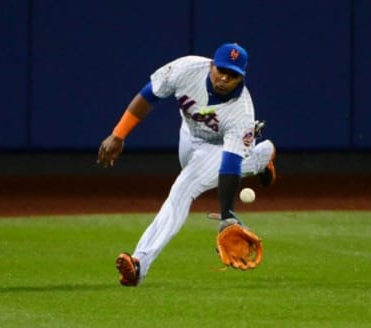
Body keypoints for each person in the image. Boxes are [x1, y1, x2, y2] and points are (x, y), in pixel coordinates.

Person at [97, 42, 276, 287]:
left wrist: (227, 216)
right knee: (190, 172)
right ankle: (261, 155)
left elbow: (229, 166)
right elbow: (149, 95)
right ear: (211, 65)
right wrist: (118, 135)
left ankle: (139, 263)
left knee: (183, 189)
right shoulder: (187, 69)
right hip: (190, 136)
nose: (224, 77)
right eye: (221, 69)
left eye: (232, 74)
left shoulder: (241, 112)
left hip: (220, 145)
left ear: (241, 78)